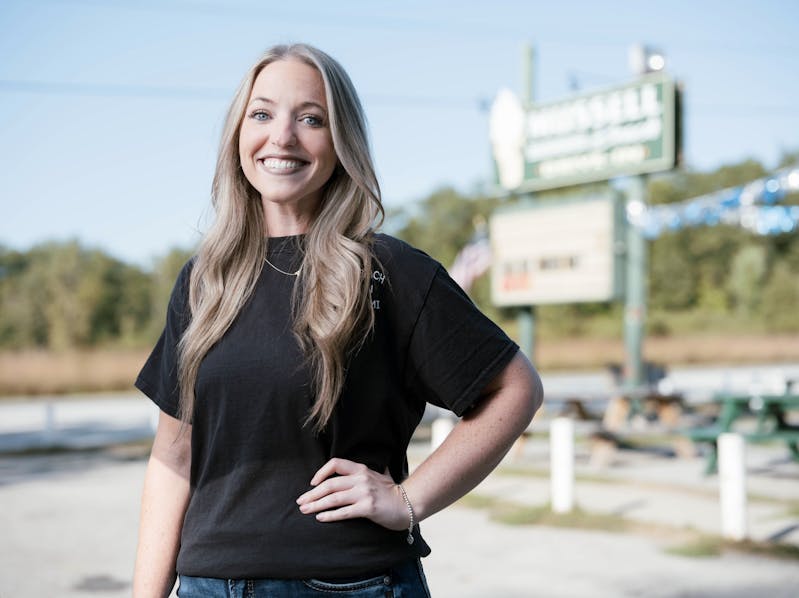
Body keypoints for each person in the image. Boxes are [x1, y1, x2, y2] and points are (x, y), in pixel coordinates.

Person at [132, 43, 543, 598]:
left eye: (311, 118)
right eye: (262, 113)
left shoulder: (388, 271)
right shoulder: (206, 281)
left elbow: (516, 388)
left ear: (339, 141)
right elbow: (172, 459)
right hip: (206, 583)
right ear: (238, 136)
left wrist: (407, 498)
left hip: (352, 583)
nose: (282, 136)